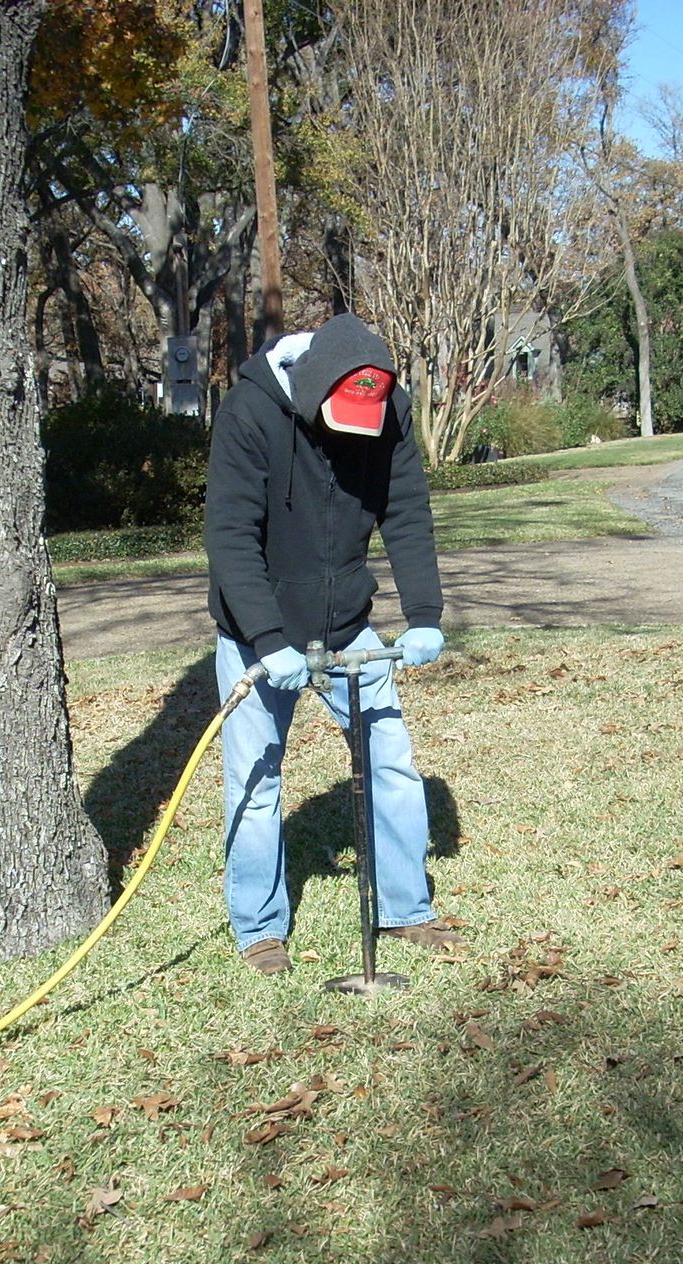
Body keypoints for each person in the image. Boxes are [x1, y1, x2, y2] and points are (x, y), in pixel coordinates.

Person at [204, 312, 463, 975]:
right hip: (259, 636)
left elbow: (406, 510)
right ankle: (260, 929)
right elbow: (231, 537)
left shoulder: (390, 409)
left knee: (391, 768)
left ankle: (404, 910)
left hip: (347, 625)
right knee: (257, 783)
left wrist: (425, 612)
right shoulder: (250, 413)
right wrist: (267, 639)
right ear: (313, 389)